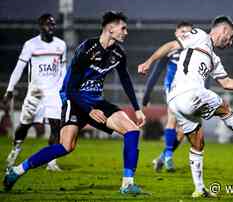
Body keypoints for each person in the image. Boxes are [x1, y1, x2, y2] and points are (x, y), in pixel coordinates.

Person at [3, 11, 146, 195]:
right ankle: (16, 170)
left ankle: (127, 184)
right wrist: (89, 110)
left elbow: (125, 80)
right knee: (66, 146)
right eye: (123, 28)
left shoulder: (118, 53)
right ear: (110, 28)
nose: (126, 32)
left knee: (132, 130)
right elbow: (70, 89)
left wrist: (137, 109)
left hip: (96, 101)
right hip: (75, 99)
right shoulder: (86, 49)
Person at [138, 16, 233, 198]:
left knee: (198, 142)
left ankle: (199, 189)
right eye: (230, 37)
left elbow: (227, 83)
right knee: (224, 108)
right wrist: (148, 62)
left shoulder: (214, 59)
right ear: (223, 30)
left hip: (176, 101)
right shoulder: (199, 35)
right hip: (189, 92)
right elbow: (171, 46)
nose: (230, 42)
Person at [3, 13, 67, 171]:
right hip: (35, 93)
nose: (51, 27)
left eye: (53, 24)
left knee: (55, 126)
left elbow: (63, 69)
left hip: (53, 92)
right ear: (40, 26)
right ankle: (16, 149)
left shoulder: (61, 45)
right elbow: (20, 68)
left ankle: (52, 162)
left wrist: (64, 89)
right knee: (24, 125)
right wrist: (10, 89)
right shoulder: (31, 45)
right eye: (47, 24)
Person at [142, 21, 192, 172]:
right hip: (173, 89)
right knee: (172, 118)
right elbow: (155, 73)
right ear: (176, 33)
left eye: (189, 32)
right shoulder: (170, 50)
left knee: (184, 130)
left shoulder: (195, 51)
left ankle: (163, 157)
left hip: (190, 92)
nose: (185, 34)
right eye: (182, 31)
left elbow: (205, 74)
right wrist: (146, 95)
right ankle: (168, 158)